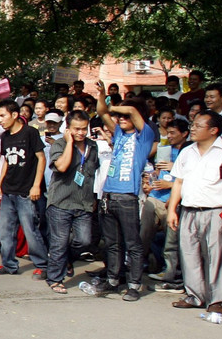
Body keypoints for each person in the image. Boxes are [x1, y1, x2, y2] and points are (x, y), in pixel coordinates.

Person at [90, 86, 156, 300]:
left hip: (128, 197)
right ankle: (112, 281)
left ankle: (135, 285)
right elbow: (101, 112)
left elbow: (135, 113)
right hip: (108, 196)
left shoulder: (144, 135)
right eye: (118, 116)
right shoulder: (118, 133)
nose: (120, 119)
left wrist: (118, 107)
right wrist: (102, 96)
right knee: (112, 243)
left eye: (124, 115)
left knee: (133, 244)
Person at [167, 110, 222, 313]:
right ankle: (195, 295)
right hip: (188, 209)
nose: (192, 129)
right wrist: (172, 210)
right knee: (189, 253)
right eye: (192, 125)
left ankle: (217, 300)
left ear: (213, 130)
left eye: (197, 125)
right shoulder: (187, 151)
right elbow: (178, 182)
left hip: (217, 211)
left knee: (215, 255)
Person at [0, 99, 48, 277]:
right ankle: (8, 264)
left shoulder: (30, 133)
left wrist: (36, 185)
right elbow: (6, 161)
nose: (0, 120)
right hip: (8, 191)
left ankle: (43, 266)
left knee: (30, 230)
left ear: (14, 115)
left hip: (26, 192)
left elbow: (41, 158)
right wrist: (0, 184)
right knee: (5, 230)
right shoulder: (5, 136)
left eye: (3, 116)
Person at [44, 111, 100, 293]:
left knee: (84, 241)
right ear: (68, 128)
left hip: (83, 202)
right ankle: (55, 278)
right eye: (77, 129)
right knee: (59, 242)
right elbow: (61, 166)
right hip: (61, 202)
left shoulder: (92, 146)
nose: (81, 133)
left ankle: (67, 259)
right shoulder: (59, 144)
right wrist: (69, 143)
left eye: (84, 129)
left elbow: (93, 171)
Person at [144, 119, 189, 292]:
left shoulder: (188, 152)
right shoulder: (164, 150)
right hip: (155, 197)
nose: (169, 136)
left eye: (173, 133)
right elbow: (158, 172)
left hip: (174, 202)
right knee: (145, 234)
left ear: (184, 133)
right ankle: (143, 265)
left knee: (171, 241)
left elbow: (188, 179)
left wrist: (171, 181)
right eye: (167, 133)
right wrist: (154, 178)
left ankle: (172, 275)